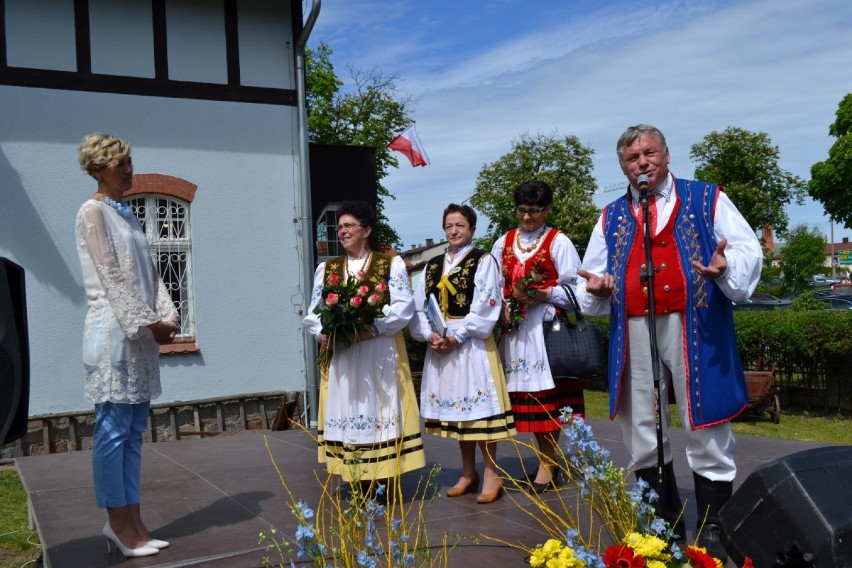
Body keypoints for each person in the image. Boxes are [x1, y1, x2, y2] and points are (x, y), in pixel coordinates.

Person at [576, 124, 762, 561]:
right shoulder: (611, 215)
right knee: (642, 423)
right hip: (634, 325)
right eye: (632, 158)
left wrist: (726, 266)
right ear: (623, 165)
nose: (642, 163)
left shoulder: (705, 197)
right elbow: (591, 276)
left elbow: (747, 249)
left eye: (649, 153)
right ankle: (663, 521)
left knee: (706, 419)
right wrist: (599, 289)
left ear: (666, 154)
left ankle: (716, 523)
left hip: (694, 321)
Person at [75, 133, 180, 558]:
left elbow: (150, 275)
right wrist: (149, 323)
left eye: (130, 162)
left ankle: (135, 520)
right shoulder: (91, 211)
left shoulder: (129, 215)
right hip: (112, 337)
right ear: (99, 169)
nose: (130, 170)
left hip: (138, 336)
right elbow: (112, 276)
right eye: (122, 164)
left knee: (134, 432)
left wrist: (168, 315)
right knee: (113, 433)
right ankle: (118, 523)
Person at [303, 200, 425, 488]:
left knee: (377, 407)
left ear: (366, 230)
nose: (342, 231)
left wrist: (372, 328)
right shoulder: (328, 268)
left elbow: (403, 307)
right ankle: (356, 474)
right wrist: (323, 331)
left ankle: (383, 475)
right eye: (340, 227)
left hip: (376, 350)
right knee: (348, 406)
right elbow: (312, 311)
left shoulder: (388, 263)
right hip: (343, 353)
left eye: (349, 226)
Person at [409, 204, 516, 504]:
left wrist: (457, 336)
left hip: (471, 346)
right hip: (441, 346)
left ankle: (493, 474)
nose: (454, 231)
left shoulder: (483, 261)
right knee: (459, 413)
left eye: (460, 225)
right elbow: (417, 307)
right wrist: (427, 333)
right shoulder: (432, 265)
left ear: (472, 229)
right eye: (449, 226)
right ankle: (469, 473)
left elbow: (488, 304)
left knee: (479, 413)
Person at [491, 180, 585, 493]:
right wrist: (500, 307)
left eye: (534, 211)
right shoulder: (503, 242)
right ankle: (546, 460)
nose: (527, 217)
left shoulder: (559, 241)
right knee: (529, 403)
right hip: (515, 333)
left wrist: (544, 294)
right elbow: (489, 285)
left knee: (548, 400)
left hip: (544, 332)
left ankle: (548, 464)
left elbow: (578, 291)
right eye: (522, 210)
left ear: (547, 209)